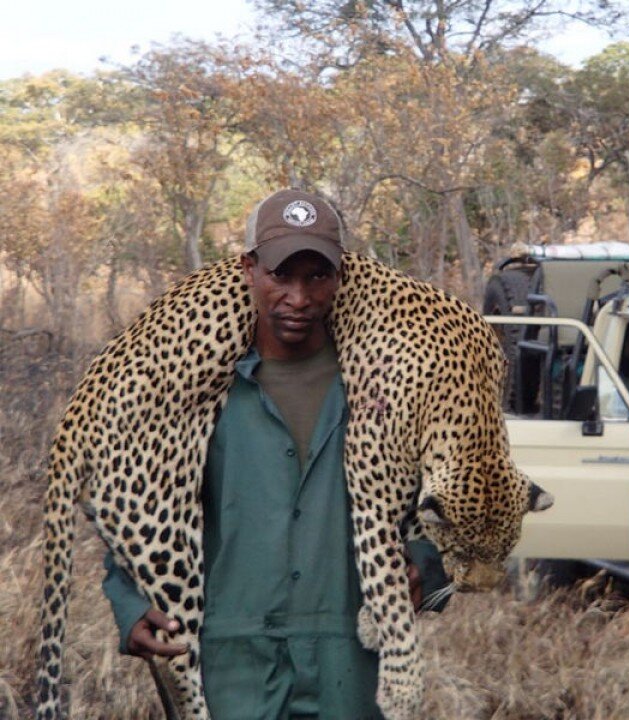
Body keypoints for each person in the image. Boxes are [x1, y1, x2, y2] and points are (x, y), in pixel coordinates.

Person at [101, 189, 448, 720]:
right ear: (248, 270)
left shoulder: (387, 384)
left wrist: (427, 564)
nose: (299, 297)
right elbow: (140, 504)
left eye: (316, 276)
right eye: (280, 276)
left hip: (351, 656)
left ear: (341, 277)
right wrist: (130, 604)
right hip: (231, 656)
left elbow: (451, 498)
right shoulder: (196, 386)